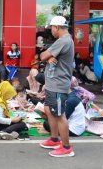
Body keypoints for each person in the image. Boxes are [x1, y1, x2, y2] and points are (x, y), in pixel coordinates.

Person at [39, 16, 75, 158]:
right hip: (53, 83)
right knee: (49, 110)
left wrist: (46, 56)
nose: (51, 31)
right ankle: (54, 139)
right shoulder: (64, 41)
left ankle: (66, 147)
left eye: (52, 28)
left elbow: (41, 56)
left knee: (59, 115)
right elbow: (44, 56)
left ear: (57, 27)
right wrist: (48, 57)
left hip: (58, 84)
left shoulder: (63, 41)